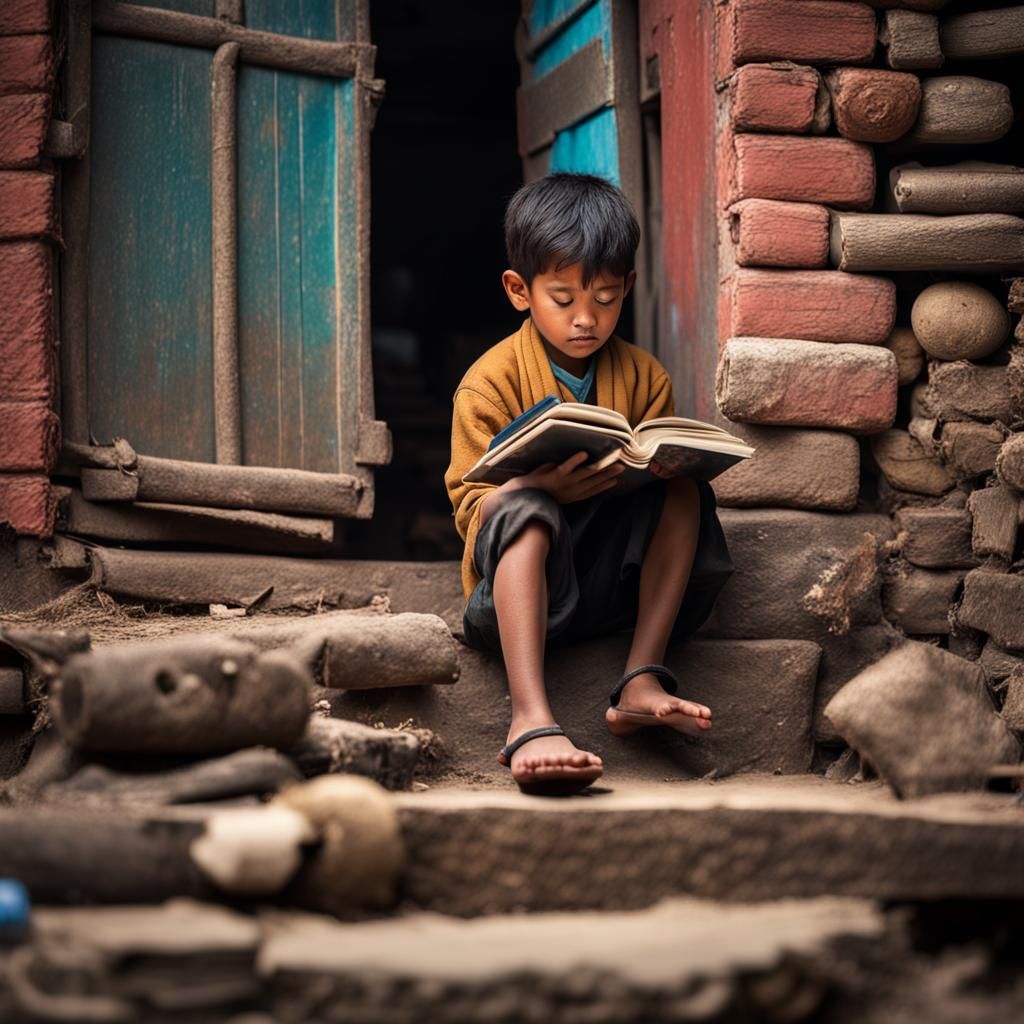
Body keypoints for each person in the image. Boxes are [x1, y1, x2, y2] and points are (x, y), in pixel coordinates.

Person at [444, 173, 733, 796]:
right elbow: (471, 509)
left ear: (626, 286)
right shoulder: (487, 383)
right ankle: (530, 716)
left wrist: (652, 471)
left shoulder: (643, 375)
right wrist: (539, 487)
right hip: (518, 598)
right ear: (519, 291)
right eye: (563, 298)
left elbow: (648, 462)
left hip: (608, 585)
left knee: (683, 492)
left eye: (605, 299)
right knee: (524, 509)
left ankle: (640, 679)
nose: (586, 319)